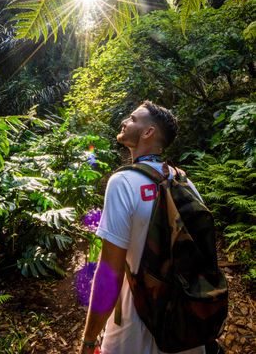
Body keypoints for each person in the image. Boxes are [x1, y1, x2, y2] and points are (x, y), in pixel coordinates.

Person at [78, 101, 205, 354]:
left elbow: (109, 273)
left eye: (133, 119)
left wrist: (89, 339)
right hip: (185, 325)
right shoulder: (184, 180)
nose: (125, 122)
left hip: (134, 328)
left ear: (148, 132)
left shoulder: (123, 182)